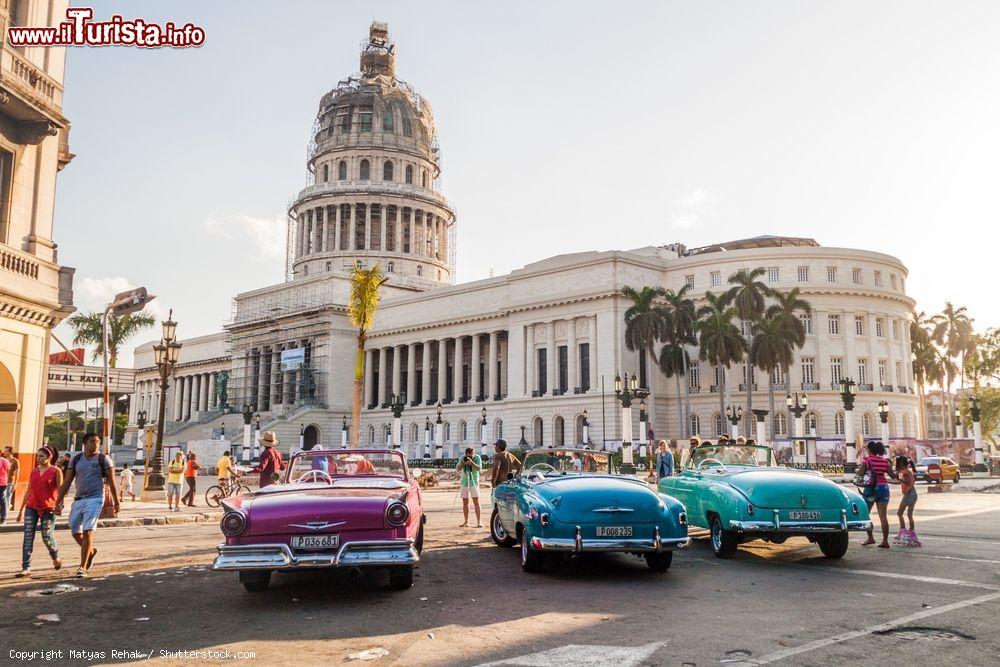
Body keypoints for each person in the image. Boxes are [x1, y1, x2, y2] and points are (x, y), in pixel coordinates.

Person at [54, 432, 119, 578]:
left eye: (97, 441)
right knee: (74, 530)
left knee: (88, 531)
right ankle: (90, 551)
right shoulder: (76, 459)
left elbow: (111, 482)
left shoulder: (104, 459)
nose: (95, 444)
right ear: (84, 443)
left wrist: (116, 501)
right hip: (79, 499)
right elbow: (67, 481)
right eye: (92, 441)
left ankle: (82, 567)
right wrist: (58, 501)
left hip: (95, 499)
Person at [15, 446, 62, 577]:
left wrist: (59, 505)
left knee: (46, 536)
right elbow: (28, 491)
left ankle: (55, 556)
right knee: (28, 537)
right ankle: (26, 566)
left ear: (49, 457)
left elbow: (60, 490)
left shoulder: (56, 471)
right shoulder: (34, 472)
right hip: (32, 507)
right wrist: (20, 511)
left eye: (41, 456)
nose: (38, 458)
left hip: (48, 508)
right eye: (37, 455)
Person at [858, 441, 893, 548]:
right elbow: (892, 475)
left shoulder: (867, 460)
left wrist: (857, 470)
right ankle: (885, 542)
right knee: (883, 516)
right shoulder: (885, 462)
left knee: (865, 514)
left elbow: (861, 473)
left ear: (869, 450)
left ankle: (870, 538)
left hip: (871, 489)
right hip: (884, 488)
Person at [892, 455, 921, 547]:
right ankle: (912, 533)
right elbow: (900, 482)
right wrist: (890, 481)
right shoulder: (908, 471)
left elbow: (908, 483)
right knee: (909, 515)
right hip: (913, 494)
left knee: (899, 513)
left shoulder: (904, 472)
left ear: (900, 463)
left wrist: (901, 480)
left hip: (909, 494)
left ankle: (903, 530)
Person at [456, 447, 482, 527]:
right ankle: (466, 521)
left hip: (474, 481)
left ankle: (479, 522)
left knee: (476, 501)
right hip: (464, 481)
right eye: (468, 456)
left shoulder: (477, 457)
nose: (470, 457)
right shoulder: (462, 457)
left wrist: (472, 463)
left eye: (471, 456)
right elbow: (457, 468)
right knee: (465, 502)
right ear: (466, 454)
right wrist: (463, 462)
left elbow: (479, 469)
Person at [3, 446, 19, 518]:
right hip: (2, 482)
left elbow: (17, 473)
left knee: (7, 498)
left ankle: (5, 515)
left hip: (10, 482)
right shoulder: (3, 460)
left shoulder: (15, 461)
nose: (4, 452)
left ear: (10, 452)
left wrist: (15, 484)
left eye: (6, 451)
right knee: (3, 498)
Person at [0, 449, 9, 524]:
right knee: (3, 500)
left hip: (2, 483)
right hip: (4, 482)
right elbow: (8, 471)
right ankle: (3, 517)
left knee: (3, 500)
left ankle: (3, 517)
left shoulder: (4, 461)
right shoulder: (6, 461)